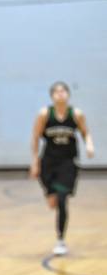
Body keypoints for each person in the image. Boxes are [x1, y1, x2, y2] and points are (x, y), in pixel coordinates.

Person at [30, 81, 95, 256]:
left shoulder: (76, 114)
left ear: (68, 94)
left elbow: (85, 132)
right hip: (48, 163)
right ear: (52, 96)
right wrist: (35, 162)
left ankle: (60, 239)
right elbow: (35, 137)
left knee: (61, 199)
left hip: (68, 162)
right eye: (56, 91)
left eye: (63, 91)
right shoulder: (45, 114)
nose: (60, 94)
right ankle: (50, 194)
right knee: (53, 201)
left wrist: (89, 145)